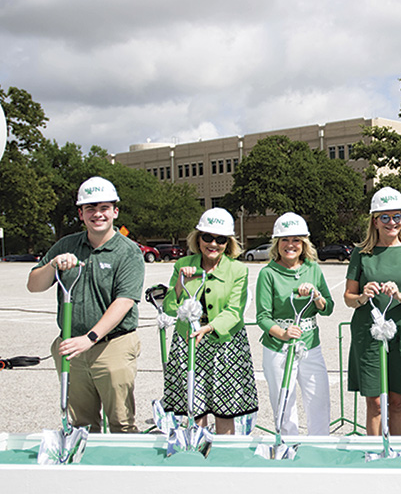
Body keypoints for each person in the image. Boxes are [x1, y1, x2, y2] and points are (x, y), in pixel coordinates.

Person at [27, 176, 144, 433]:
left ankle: (121, 472)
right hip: (71, 346)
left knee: (121, 424)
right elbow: (34, 284)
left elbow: (124, 301)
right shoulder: (66, 245)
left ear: (115, 211)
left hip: (112, 345)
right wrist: (53, 264)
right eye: (90, 208)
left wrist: (89, 338)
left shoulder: (128, 252)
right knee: (81, 425)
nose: (98, 214)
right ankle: (86, 472)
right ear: (81, 214)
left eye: (104, 208)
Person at [161, 208, 257, 434]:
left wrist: (210, 327)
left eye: (220, 239)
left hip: (224, 345)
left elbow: (235, 311)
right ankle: (197, 454)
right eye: (207, 237)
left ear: (228, 243)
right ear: (198, 238)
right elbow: (169, 307)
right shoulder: (182, 264)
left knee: (225, 409)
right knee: (195, 407)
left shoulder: (237, 270)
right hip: (189, 343)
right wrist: (180, 282)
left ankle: (224, 459)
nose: (213, 244)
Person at [344, 187, 401, 436]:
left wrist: (400, 296)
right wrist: (362, 296)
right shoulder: (361, 254)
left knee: (397, 402)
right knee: (375, 402)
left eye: (397, 216)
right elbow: (348, 298)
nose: (391, 222)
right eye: (385, 217)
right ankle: (374, 457)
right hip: (367, 332)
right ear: (375, 220)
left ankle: (399, 455)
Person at [256, 213, 334, 436]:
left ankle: (319, 445)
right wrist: (282, 333)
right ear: (277, 244)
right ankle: (288, 446)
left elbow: (328, 307)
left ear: (304, 243)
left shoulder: (313, 269)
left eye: (296, 240)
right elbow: (262, 316)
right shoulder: (268, 273)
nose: (290, 245)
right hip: (278, 347)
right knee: (283, 401)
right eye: (285, 240)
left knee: (318, 398)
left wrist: (316, 295)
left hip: (311, 345)